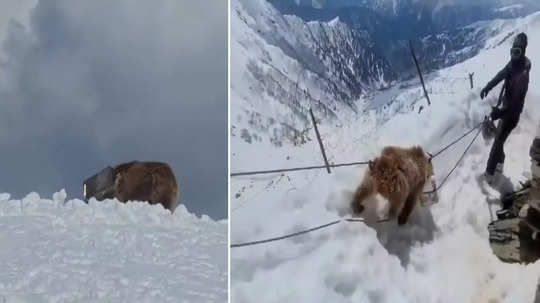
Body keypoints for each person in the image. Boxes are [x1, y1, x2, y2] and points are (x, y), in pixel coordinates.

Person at [480, 32, 531, 184]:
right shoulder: (513, 64)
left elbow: (516, 106)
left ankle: (489, 175)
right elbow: (501, 75)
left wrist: (499, 112)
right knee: (499, 140)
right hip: (505, 110)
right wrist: (488, 87)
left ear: (523, 52)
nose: (514, 55)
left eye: (517, 52)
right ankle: (500, 164)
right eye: (512, 51)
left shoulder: (523, 75)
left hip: (512, 115)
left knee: (497, 143)